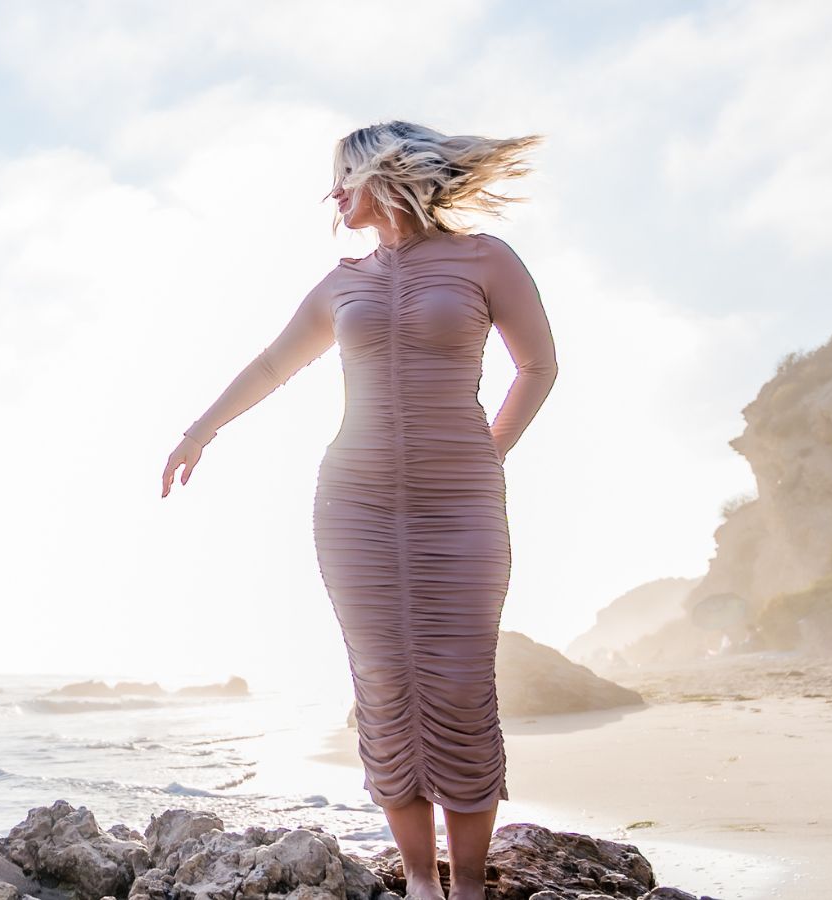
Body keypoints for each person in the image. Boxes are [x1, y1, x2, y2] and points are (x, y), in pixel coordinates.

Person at [161, 120, 558, 900]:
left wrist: (488, 453)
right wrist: (198, 431)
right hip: (354, 504)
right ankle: (419, 881)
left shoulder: (486, 260)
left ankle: (468, 883)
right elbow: (275, 363)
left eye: (343, 176)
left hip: (463, 506)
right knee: (382, 684)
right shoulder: (342, 282)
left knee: (459, 681)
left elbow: (538, 365)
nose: (331, 193)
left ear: (388, 174)